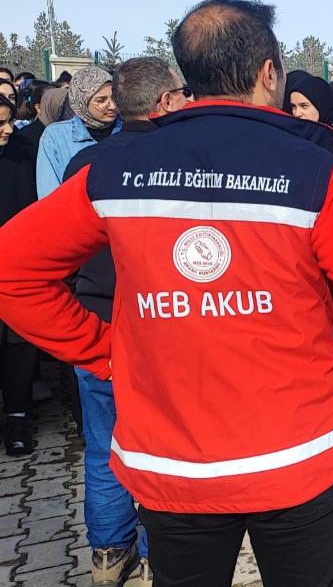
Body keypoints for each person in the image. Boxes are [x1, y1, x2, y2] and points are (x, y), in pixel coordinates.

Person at [0, 0, 333, 586]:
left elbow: (13, 269)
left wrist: (104, 351)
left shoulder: (112, 169)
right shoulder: (318, 172)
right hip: (297, 455)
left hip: (173, 461)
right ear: (270, 72)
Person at [58, 56, 188, 585]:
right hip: (159, 325)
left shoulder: (85, 165)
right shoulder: (182, 164)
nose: (186, 103)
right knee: (161, 441)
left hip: (97, 324)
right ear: (163, 102)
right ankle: (160, 548)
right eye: (180, 95)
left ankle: (110, 554)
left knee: (103, 441)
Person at [0, 96, 39, 457]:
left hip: (14, 270)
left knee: (19, 348)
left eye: (9, 121)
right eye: (0, 124)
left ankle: (18, 419)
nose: (8, 130)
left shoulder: (19, 154)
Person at [36, 65, 121, 198]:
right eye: (101, 101)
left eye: (114, 98)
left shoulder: (127, 130)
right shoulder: (56, 136)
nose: (112, 106)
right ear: (82, 101)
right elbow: (49, 193)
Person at [284, 71, 333, 181]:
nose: (297, 113)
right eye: (294, 107)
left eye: (304, 106)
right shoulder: (288, 140)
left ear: (320, 105)